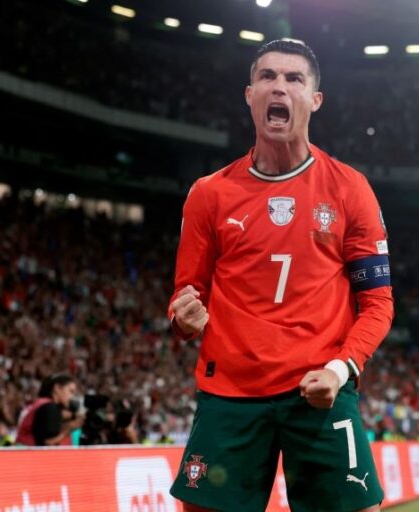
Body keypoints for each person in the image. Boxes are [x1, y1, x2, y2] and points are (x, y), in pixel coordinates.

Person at [168, 39, 394, 512]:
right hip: (230, 395)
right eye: (267, 76)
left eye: (294, 79)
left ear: (315, 99)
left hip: (320, 390)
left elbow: (377, 305)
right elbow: (187, 297)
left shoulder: (349, 189)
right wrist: (182, 317)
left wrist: (339, 369)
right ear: (249, 94)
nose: (279, 87)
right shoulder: (209, 194)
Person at [15, 373, 83, 446]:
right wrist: (71, 428)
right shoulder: (49, 408)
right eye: (71, 391)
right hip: (27, 450)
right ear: (57, 388)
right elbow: (48, 442)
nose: (72, 397)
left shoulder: (41, 403)